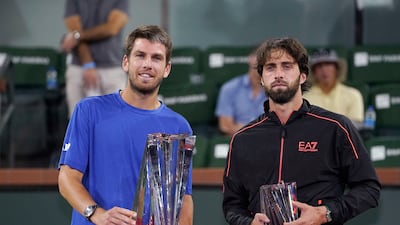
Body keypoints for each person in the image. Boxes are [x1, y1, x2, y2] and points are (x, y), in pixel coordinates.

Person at [222, 37, 381, 225]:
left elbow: (369, 189)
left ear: (303, 75)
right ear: (262, 78)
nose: (278, 74)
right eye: (270, 67)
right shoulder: (242, 139)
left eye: (287, 66)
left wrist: (325, 213)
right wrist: (248, 223)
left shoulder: (335, 128)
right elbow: (232, 206)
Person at [58, 25, 194, 225]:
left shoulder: (179, 126)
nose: (147, 64)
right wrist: (98, 215)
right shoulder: (88, 111)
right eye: (140, 55)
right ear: (125, 62)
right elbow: (67, 179)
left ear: (167, 69)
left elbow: (183, 199)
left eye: (156, 58)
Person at [61, 0, 129, 117]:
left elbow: (111, 28)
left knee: (116, 121)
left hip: (112, 69)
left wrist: (78, 36)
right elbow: (74, 28)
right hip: (79, 68)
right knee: (79, 123)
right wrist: (88, 63)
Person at [303, 48, 364, 129]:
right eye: (319, 66)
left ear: (336, 69)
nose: (324, 70)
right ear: (314, 71)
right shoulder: (304, 98)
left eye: (328, 64)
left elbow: (356, 126)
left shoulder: (353, 94)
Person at [215, 50, 267, 136]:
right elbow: (225, 126)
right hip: (238, 140)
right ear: (250, 59)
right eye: (260, 57)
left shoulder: (277, 91)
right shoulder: (230, 88)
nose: (262, 63)